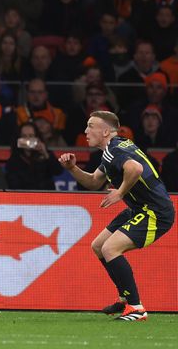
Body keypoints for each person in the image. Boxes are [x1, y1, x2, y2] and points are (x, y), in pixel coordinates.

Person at [58, 111, 174, 321]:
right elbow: (94, 181)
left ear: (105, 131)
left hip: (155, 211)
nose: (86, 130)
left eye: (90, 126)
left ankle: (137, 308)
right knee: (98, 245)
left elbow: (135, 168)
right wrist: (72, 168)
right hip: (139, 208)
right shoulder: (113, 149)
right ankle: (124, 298)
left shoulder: (115, 150)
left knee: (110, 248)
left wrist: (119, 192)